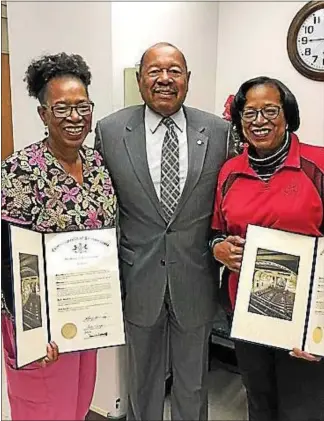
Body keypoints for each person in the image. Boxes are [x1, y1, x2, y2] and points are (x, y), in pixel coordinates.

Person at [95, 42, 230, 420]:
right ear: (140, 80)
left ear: (188, 79)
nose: (165, 79)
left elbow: (227, 204)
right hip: (138, 279)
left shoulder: (220, 131)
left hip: (196, 276)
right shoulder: (109, 131)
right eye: (155, 71)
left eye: (175, 70)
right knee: (143, 380)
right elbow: (103, 207)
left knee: (193, 383)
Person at [1, 52, 116, 420]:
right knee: (43, 410)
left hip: (84, 311)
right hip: (39, 321)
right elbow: (8, 257)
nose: (74, 117)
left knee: (77, 406)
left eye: (82, 106)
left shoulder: (96, 164)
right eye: (62, 108)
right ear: (43, 114)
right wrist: (33, 327)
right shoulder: (21, 170)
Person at [210, 76, 324, 421]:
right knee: (258, 401)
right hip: (247, 311)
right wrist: (219, 249)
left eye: (270, 111)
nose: (259, 121)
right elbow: (214, 231)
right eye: (249, 113)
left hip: (304, 315)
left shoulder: (317, 164)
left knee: (304, 406)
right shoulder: (229, 171)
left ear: (287, 115)